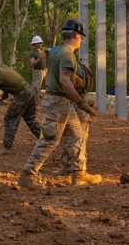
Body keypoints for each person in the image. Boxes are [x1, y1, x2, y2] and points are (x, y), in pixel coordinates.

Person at [18, 19, 101, 190]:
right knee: (50, 139)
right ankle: (28, 174)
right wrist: (80, 102)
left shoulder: (58, 51)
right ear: (76, 35)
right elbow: (65, 80)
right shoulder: (66, 54)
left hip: (61, 102)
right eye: (81, 37)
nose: (81, 40)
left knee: (77, 134)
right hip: (58, 102)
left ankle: (79, 173)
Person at [0, 54, 43, 156]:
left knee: (10, 118)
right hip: (29, 90)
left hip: (22, 94)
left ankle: (7, 147)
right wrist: (6, 91)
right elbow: (10, 79)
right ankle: (47, 140)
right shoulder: (2, 66)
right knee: (31, 119)